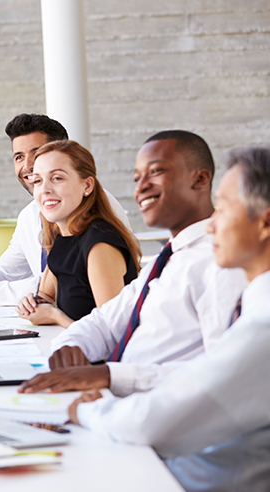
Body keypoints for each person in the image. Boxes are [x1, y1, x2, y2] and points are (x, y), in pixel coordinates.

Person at [68, 147, 270, 492]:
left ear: (264, 222)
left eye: (224, 207)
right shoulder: (249, 304)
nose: (212, 224)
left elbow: (154, 422)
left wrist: (89, 409)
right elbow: (203, 376)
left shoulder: (262, 327)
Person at [19, 131, 246, 397]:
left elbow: (222, 373)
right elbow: (106, 321)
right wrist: (71, 347)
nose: (141, 187)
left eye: (156, 172)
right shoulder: (166, 261)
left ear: (200, 179)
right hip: (116, 398)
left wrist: (108, 376)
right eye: (137, 177)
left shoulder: (220, 263)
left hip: (154, 411)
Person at [0, 114, 130, 306]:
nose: (28, 166)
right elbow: (6, 271)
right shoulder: (32, 213)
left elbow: (67, 286)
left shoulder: (98, 217)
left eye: (38, 154)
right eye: (19, 157)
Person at [15, 140, 139, 327]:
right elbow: (45, 296)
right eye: (38, 181)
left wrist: (56, 317)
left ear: (87, 186)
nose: (45, 190)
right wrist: (32, 304)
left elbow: (114, 331)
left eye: (57, 178)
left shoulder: (100, 244)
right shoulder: (62, 234)